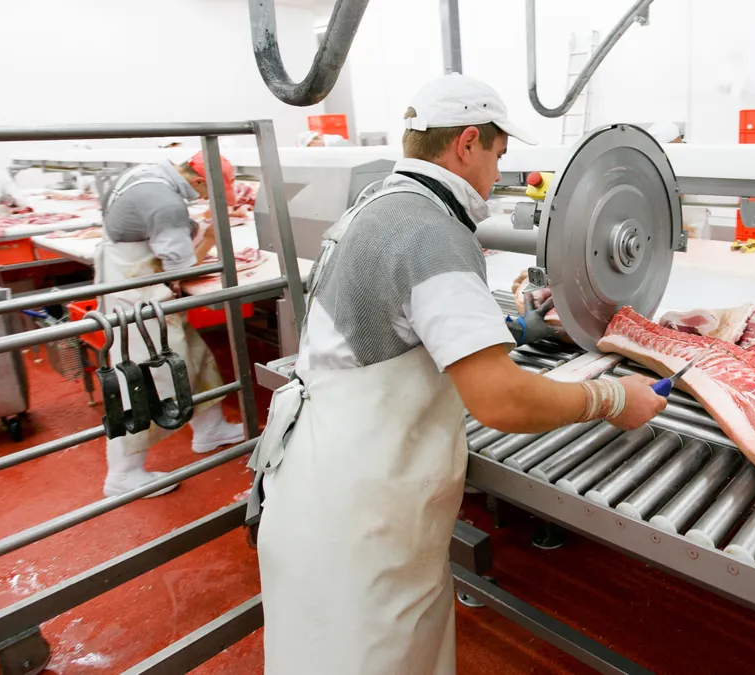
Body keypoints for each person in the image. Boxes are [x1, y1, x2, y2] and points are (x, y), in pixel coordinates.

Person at [251, 73, 667, 675]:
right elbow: (499, 401)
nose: (497, 172)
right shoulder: (431, 232)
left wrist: (513, 332)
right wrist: (609, 398)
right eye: (498, 154)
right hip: (364, 526)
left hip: (312, 490)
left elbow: (387, 324)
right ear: (467, 142)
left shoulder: (374, 207)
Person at [96, 152, 245, 497]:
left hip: (138, 284)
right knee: (143, 379)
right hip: (136, 296)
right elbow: (182, 268)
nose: (209, 200)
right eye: (211, 193)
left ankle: (210, 430)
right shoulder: (167, 204)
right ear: (197, 181)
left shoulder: (148, 174)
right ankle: (122, 474)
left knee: (192, 356)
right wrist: (208, 239)